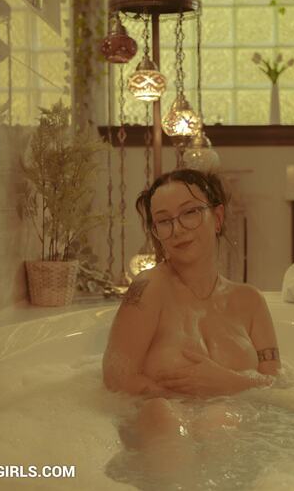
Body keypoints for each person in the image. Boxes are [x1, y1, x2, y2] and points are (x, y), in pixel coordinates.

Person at [102, 168, 281, 477]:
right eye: (164, 221)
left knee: (220, 417)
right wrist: (181, 396)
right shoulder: (148, 289)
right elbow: (116, 377)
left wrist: (229, 383)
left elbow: (278, 384)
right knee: (162, 414)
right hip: (160, 424)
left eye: (190, 213)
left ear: (218, 217)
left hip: (238, 429)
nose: (178, 229)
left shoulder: (250, 302)